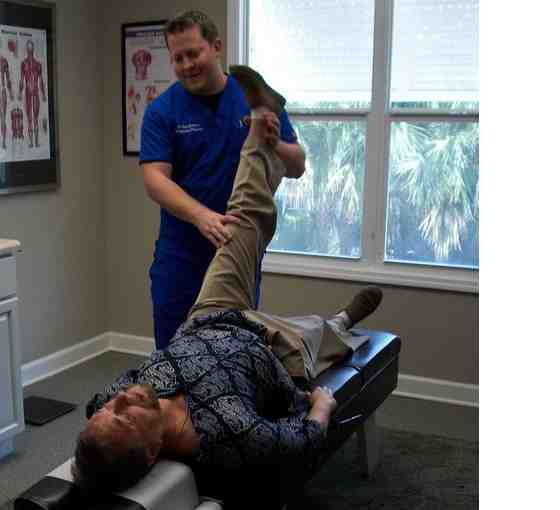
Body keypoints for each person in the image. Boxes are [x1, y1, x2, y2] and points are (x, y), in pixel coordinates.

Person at [72, 68, 383, 501]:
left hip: (209, 317)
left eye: (109, 407)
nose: (120, 399)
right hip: (272, 350)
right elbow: (304, 441)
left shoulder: (120, 400)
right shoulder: (228, 432)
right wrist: (321, 405)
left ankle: (259, 125)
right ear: (152, 452)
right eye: (122, 416)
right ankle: (343, 320)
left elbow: (103, 421)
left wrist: (104, 424)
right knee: (320, 333)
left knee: (243, 217)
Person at [140, 10, 307, 349]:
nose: (187, 65)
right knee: (174, 355)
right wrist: (201, 216)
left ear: (216, 47)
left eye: (194, 53)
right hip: (181, 256)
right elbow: (155, 179)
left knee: (232, 352)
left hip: (236, 248)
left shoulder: (252, 97)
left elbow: (297, 165)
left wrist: (274, 142)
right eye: (178, 58)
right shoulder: (162, 111)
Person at [18, 40, 46, 148]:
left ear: (33, 49)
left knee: (36, 118)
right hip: (28, 93)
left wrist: (43, 94)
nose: (29, 50)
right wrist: (20, 93)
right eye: (28, 48)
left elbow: (41, 80)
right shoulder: (23, 64)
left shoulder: (38, 65)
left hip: (36, 92)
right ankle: (31, 142)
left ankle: (37, 142)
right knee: (30, 118)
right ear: (27, 49)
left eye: (31, 48)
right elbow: (21, 80)